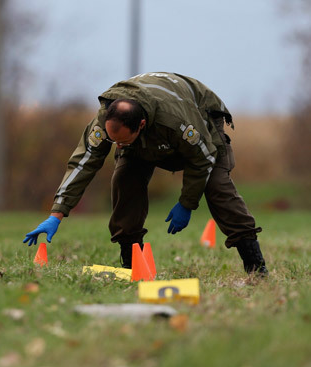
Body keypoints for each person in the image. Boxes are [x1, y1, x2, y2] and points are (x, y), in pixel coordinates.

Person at [23, 72, 268, 276]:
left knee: (217, 187)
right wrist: (57, 212)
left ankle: (256, 268)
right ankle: (132, 266)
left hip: (201, 121)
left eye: (122, 141)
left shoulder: (177, 122)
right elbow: (84, 161)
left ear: (140, 126)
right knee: (124, 180)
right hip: (147, 133)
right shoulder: (106, 122)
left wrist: (187, 202)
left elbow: (202, 158)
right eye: (113, 140)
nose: (116, 146)